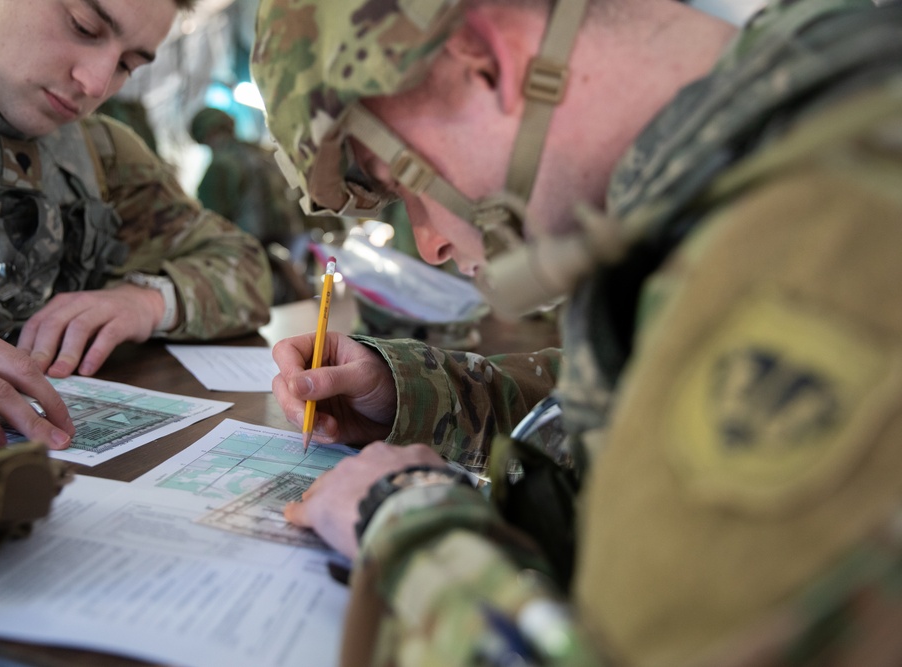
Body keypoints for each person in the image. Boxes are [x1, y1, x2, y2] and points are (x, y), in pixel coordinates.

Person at [254, 0, 902, 665]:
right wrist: (413, 392)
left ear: (484, 60)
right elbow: (637, 398)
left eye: (403, 180)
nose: (432, 240)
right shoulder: (774, 152)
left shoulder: (825, 249)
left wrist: (401, 521)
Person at [0, 0, 273, 450]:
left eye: (127, 65)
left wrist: (145, 301)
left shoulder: (103, 154)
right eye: (83, 26)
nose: (96, 84)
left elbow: (246, 267)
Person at [189, 106, 304, 248]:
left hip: (250, 249)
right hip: (291, 241)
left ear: (208, 134)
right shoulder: (262, 153)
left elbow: (209, 221)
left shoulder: (220, 166)